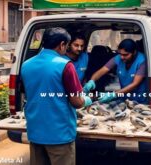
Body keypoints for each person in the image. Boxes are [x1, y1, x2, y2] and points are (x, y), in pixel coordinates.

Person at [21, 27, 92, 165]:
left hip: (35, 131)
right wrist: (87, 100)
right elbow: (76, 102)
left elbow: (30, 93)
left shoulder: (26, 65)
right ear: (62, 45)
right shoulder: (65, 65)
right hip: (59, 134)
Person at [83, 38, 147, 104]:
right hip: (124, 98)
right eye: (120, 54)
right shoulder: (118, 58)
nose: (122, 57)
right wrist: (92, 80)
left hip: (139, 99)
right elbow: (102, 70)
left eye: (125, 55)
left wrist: (114, 94)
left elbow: (135, 84)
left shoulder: (142, 61)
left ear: (134, 52)